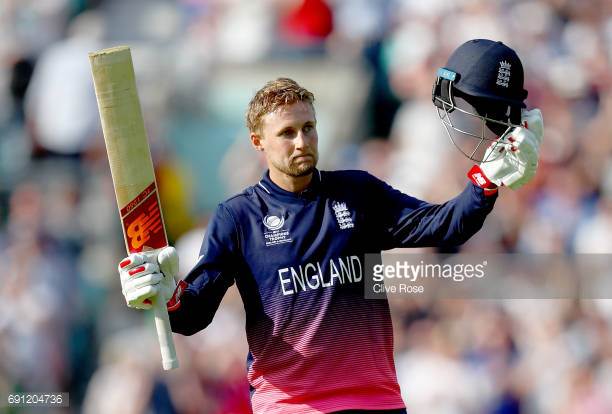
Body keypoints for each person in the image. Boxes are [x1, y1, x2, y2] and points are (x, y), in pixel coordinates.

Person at [118, 39, 543, 414]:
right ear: (257, 142)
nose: (301, 142)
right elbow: (193, 315)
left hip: (376, 400)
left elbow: (443, 226)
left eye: (308, 128)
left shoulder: (357, 193)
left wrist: (486, 182)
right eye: (286, 133)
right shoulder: (237, 217)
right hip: (292, 405)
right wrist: (165, 294)